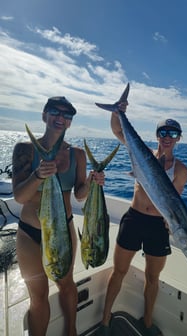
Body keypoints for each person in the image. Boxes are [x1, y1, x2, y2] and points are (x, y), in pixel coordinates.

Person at [12, 96, 105, 336]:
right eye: (55, 111)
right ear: (44, 115)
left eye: (67, 115)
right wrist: (38, 175)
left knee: (66, 284)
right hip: (30, 234)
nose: (61, 117)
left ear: (70, 122)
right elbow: (20, 197)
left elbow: (80, 194)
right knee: (38, 295)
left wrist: (94, 184)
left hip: (63, 231)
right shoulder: (24, 149)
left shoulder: (78, 155)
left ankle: (71, 331)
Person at [97, 105, 187, 336]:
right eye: (163, 133)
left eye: (173, 134)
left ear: (179, 138)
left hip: (158, 226)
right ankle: (105, 321)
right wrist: (117, 112)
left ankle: (147, 323)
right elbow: (118, 132)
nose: (167, 138)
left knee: (153, 278)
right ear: (157, 136)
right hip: (134, 219)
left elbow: (173, 203)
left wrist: (171, 224)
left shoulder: (181, 170)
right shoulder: (142, 152)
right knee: (119, 271)